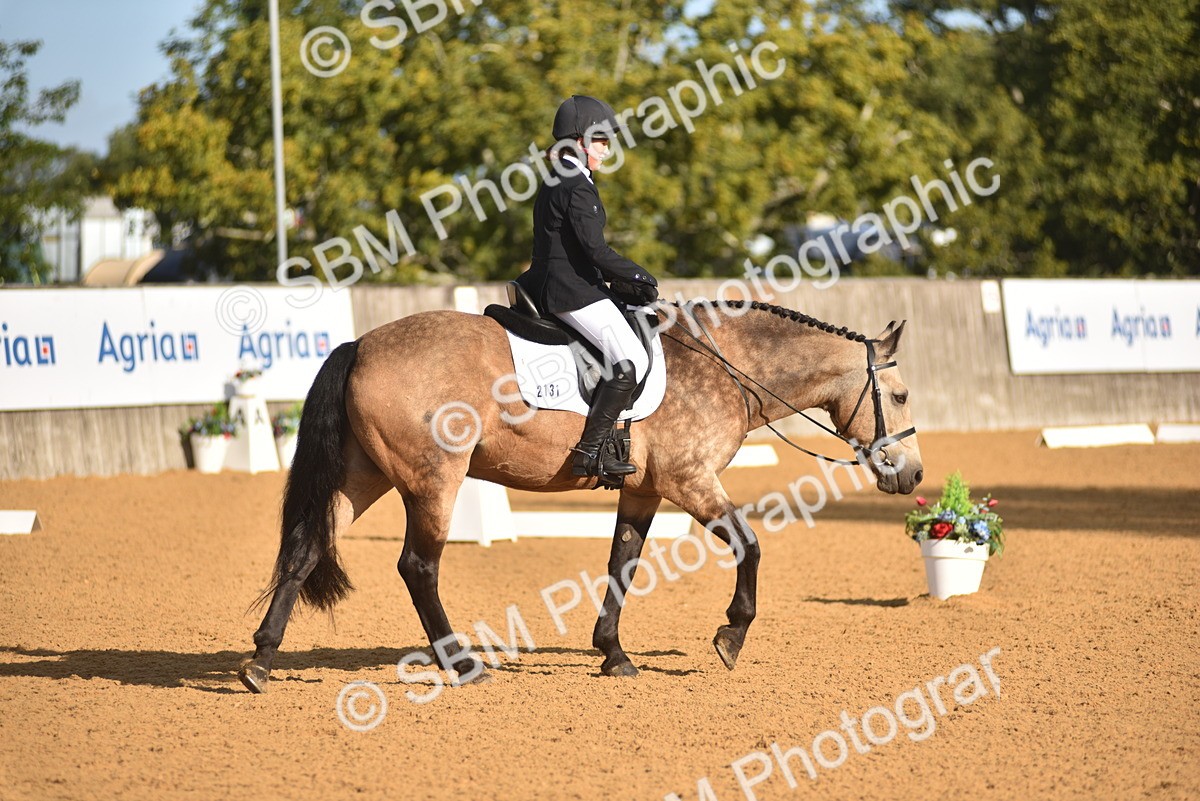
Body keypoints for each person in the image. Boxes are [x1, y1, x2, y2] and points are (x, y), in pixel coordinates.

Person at [515, 95, 659, 479]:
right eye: (601, 141)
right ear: (578, 141)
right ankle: (591, 451)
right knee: (631, 360)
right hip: (570, 291)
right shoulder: (575, 184)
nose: (607, 149)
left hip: (559, 282)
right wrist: (640, 276)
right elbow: (595, 250)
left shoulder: (557, 176)